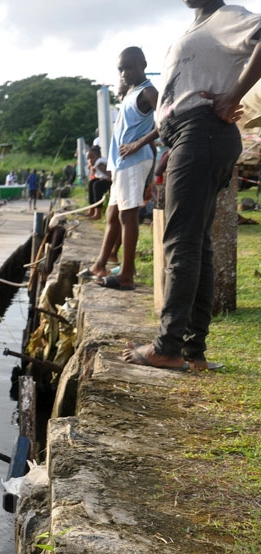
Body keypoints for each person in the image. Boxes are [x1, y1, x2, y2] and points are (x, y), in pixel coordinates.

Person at [124, 1, 261, 371]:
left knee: (181, 241)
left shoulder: (227, 16)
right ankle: (191, 350)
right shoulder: (200, 26)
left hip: (202, 132)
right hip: (193, 135)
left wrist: (234, 96)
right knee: (195, 243)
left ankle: (168, 346)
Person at [83, 47, 159, 291]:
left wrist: (139, 143)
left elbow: (169, 118)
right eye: (121, 69)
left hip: (135, 161)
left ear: (143, 64)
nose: (125, 73)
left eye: (129, 67)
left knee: (128, 216)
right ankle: (100, 264)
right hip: (121, 165)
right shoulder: (130, 92)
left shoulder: (148, 91)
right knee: (112, 215)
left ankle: (126, 274)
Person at [86, 147, 113, 219]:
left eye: (91, 158)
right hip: (103, 180)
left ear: (98, 156)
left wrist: (109, 180)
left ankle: (98, 213)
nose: (90, 160)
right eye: (88, 159)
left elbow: (110, 175)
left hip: (110, 181)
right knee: (91, 182)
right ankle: (91, 209)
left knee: (96, 185)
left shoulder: (100, 163)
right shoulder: (96, 164)